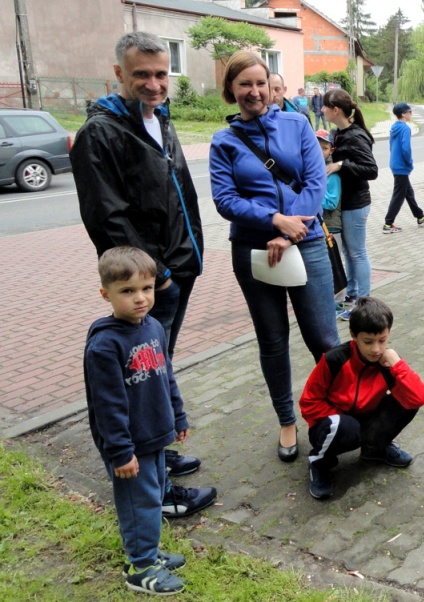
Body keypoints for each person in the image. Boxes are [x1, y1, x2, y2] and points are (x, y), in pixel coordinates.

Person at [70, 31, 205, 488]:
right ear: (118, 75)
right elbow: (109, 220)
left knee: (157, 369)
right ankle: (153, 487)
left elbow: (175, 197)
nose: (153, 84)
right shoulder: (100, 133)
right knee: (140, 377)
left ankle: (158, 454)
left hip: (178, 270)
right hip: (152, 282)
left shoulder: (159, 119)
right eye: (141, 75)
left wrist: (184, 264)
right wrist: (159, 277)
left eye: (161, 74)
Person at [209, 51, 341, 463]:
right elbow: (225, 200)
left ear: (271, 86)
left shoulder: (297, 124)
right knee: (272, 340)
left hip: (307, 241)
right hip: (253, 250)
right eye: (244, 84)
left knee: (323, 338)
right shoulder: (224, 142)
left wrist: (292, 228)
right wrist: (274, 221)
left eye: (260, 83)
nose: (254, 91)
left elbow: (315, 181)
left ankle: (336, 414)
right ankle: (287, 421)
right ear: (231, 90)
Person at [85, 247, 218, 595]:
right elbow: (107, 405)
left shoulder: (154, 327)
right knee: (138, 503)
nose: (140, 298)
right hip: (130, 445)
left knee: (154, 496)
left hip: (155, 434)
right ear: (106, 294)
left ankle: (149, 551)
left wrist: (177, 416)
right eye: (127, 291)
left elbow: (165, 377)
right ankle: (140, 568)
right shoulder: (105, 345)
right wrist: (120, 451)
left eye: (146, 288)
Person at [299, 296, 424, 500]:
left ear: (388, 334)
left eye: (382, 340)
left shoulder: (386, 363)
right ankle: (319, 462)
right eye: (368, 342)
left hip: (363, 420)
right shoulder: (335, 359)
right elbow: (308, 402)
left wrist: (397, 365)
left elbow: (419, 398)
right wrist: (345, 423)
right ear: (354, 335)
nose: (376, 349)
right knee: (346, 426)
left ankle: (375, 449)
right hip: (331, 425)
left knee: (408, 398)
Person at [322, 89, 379, 320]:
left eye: (325, 106)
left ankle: (363, 303)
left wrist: (341, 165)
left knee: (357, 253)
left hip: (356, 204)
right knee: (348, 251)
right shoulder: (339, 133)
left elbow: (371, 170)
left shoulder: (355, 136)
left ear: (336, 110)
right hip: (346, 204)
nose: (322, 109)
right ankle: (353, 295)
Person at [383, 101, 424, 234]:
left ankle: (420, 216)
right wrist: (409, 162)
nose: (411, 113)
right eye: (409, 111)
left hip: (395, 163)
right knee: (399, 195)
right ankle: (388, 224)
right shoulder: (405, 128)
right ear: (403, 114)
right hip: (401, 166)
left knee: (408, 192)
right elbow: (406, 149)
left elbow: (391, 146)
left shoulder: (395, 127)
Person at [317, 128, 347, 305]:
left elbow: (331, 203)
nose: (320, 151)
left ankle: (338, 301)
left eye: (324, 147)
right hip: (317, 228)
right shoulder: (311, 169)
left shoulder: (332, 175)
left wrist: (312, 194)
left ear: (331, 150)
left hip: (331, 227)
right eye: (317, 146)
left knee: (333, 265)